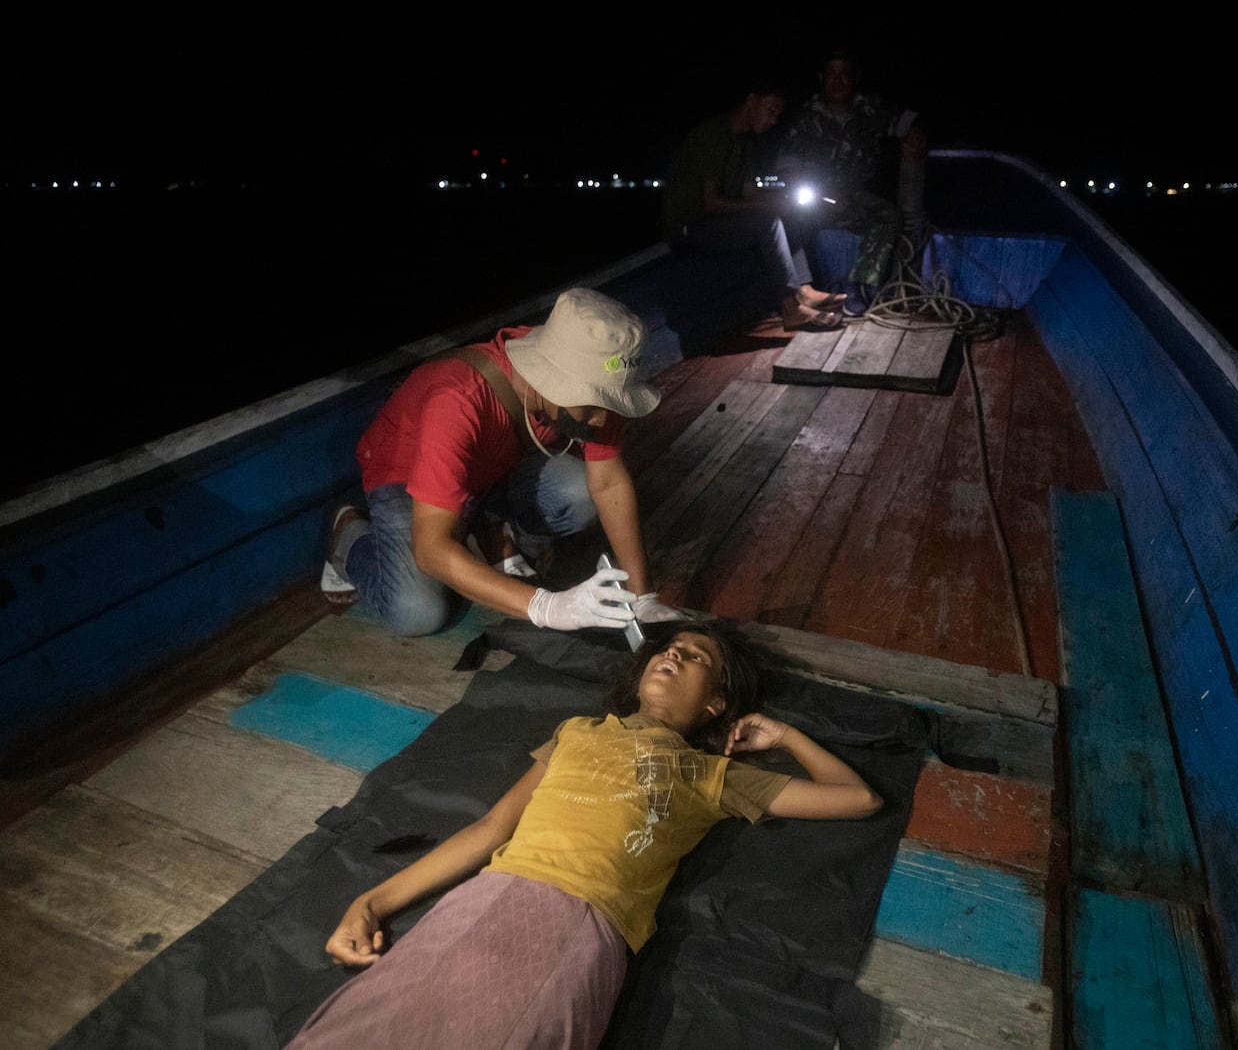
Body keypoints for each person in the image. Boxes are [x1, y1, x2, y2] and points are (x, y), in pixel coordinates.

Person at [284, 620, 883, 1049]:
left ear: (716, 706)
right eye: (669, 647)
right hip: (484, 897)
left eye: (695, 657)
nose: (671, 656)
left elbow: (857, 799)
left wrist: (783, 738)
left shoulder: (708, 773)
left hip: (576, 921)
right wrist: (370, 902)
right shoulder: (577, 731)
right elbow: (493, 827)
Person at [321, 287, 684, 636]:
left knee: (580, 493)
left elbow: (607, 483)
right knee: (417, 613)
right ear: (550, 380)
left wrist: (643, 596)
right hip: (406, 474)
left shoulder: (594, 373)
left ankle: (490, 527)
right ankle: (348, 537)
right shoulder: (455, 400)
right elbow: (431, 549)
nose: (603, 422)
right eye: (590, 408)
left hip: (493, 466)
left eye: (609, 405)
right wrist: (546, 607)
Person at [659, 73, 847, 333]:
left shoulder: (744, 143)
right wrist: (767, 208)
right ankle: (792, 309)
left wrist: (783, 201)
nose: (773, 120)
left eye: (777, 115)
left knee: (788, 212)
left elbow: (749, 194)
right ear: (751, 101)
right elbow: (711, 203)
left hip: (717, 221)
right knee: (767, 222)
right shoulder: (714, 133)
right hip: (689, 226)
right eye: (770, 111)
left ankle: (804, 290)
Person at [776, 49, 929, 314]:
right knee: (786, 217)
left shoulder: (869, 108)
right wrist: (806, 189)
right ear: (822, 79)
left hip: (855, 197)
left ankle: (861, 286)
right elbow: (786, 167)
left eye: (844, 75)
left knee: (889, 215)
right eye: (831, 76)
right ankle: (804, 292)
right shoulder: (805, 116)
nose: (837, 82)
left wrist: (914, 136)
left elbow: (909, 122)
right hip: (814, 197)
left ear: (854, 78)